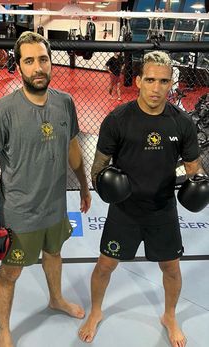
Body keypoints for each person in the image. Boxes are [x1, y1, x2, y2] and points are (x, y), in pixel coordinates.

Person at [79, 51, 205, 347]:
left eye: (163, 81)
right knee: (105, 265)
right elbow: (99, 168)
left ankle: (170, 316)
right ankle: (96, 311)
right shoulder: (117, 120)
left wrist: (196, 183)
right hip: (125, 210)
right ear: (138, 81)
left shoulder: (182, 123)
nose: (156, 87)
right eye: (150, 79)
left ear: (170, 83)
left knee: (171, 268)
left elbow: (193, 169)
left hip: (162, 208)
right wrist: (105, 183)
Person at [0, 31, 91, 347]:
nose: (38, 67)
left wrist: (83, 186)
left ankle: (56, 299)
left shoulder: (65, 103)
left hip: (54, 206)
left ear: (50, 62)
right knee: (10, 274)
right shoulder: (3, 110)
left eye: (43, 59)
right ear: (19, 66)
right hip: (20, 214)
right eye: (29, 61)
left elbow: (73, 148)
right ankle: (3, 330)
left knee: (54, 253)